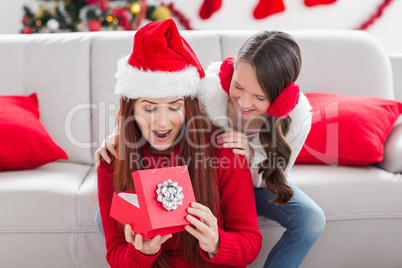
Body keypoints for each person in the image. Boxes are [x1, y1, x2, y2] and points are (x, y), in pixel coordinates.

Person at [96, 29, 325, 267]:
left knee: (310, 219)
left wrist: (217, 241)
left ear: (281, 100)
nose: (245, 103)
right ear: (229, 75)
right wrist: (118, 139)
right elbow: (155, 98)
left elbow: (275, 178)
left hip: (258, 179)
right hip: (212, 164)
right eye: (239, 87)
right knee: (108, 215)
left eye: (259, 96)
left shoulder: (296, 120)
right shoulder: (208, 90)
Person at [97, 19, 262, 268]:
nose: (163, 122)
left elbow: (249, 242)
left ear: (188, 108)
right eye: (150, 109)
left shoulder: (224, 151)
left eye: (174, 107)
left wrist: (217, 242)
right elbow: (116, 254)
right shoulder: (112, 159)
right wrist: (143, 253)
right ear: (131, 110)